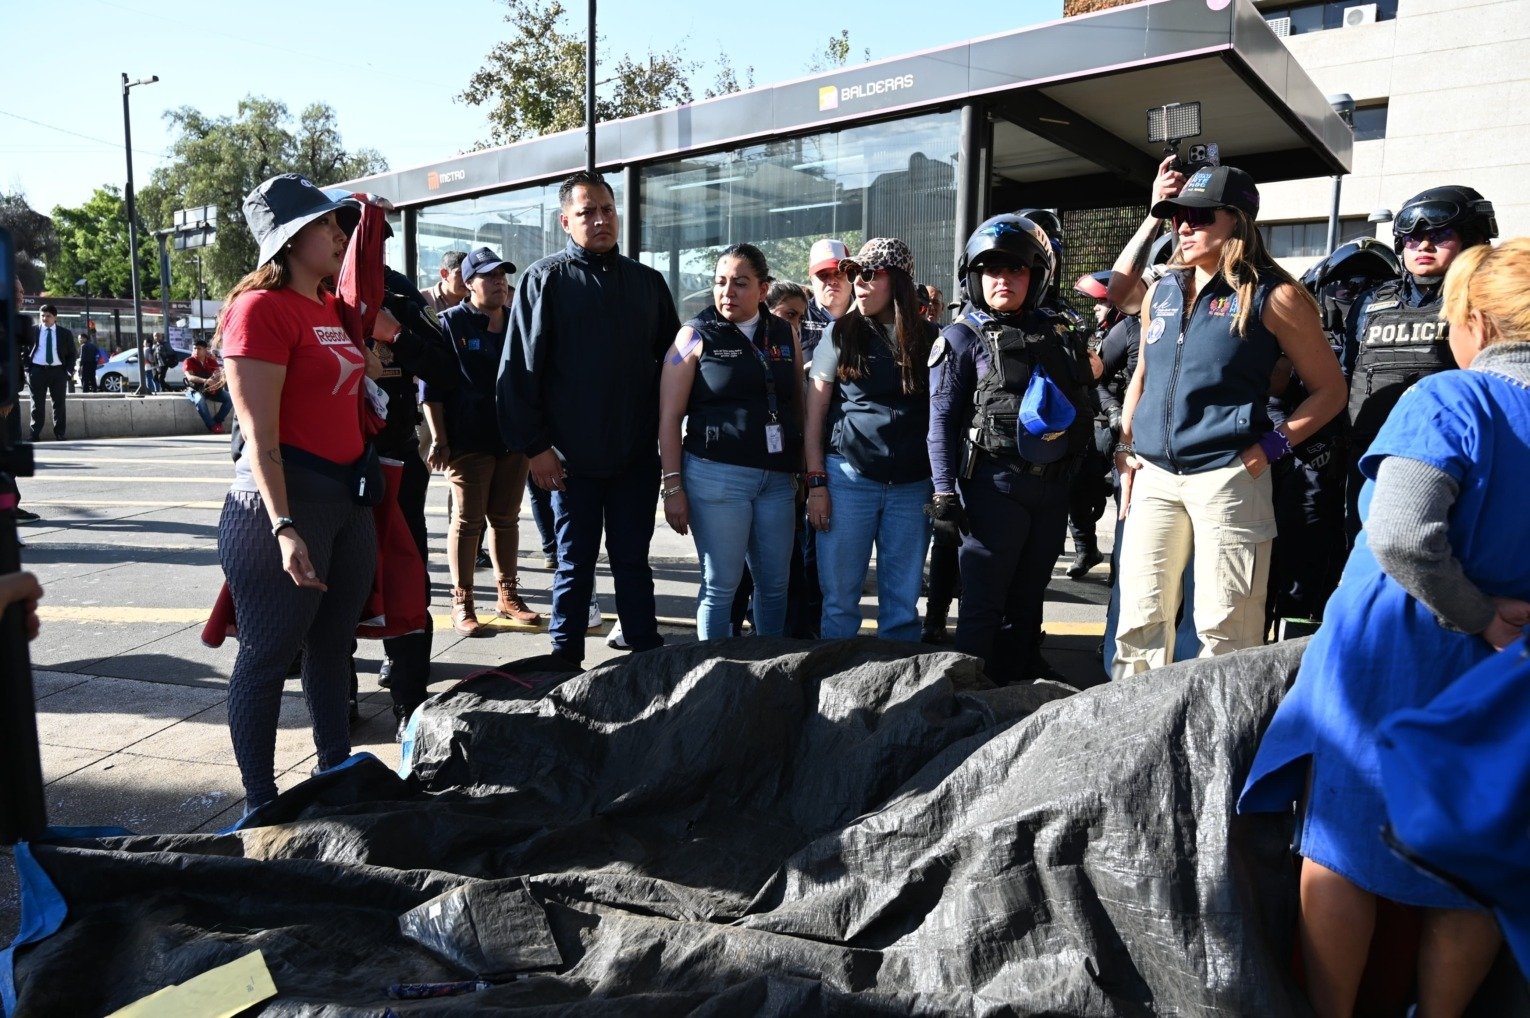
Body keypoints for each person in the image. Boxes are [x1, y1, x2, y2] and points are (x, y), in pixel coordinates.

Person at [1240, 236, 1530, 1017]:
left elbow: (1402, 533)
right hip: (1504, 680)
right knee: (1472, 862)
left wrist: (1473, 612)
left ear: (1477, 321)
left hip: (1398, 654)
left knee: (1343, 842)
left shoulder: (1452, 400)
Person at [1112, 164, 1345, 676]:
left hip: (1229, 476)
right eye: (1177, 216)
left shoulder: (1274, 295)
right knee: (1137, 625)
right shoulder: (1163, 291)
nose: (1183, 226)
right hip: (1154, 476)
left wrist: (1270, 451)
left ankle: (1222, 750)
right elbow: (1142, 377)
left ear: (1237, 222)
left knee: (1226, 634)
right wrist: (1125, 452)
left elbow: (1330, 391)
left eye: (1199, 215)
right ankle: (1130, 744)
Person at [214, 173, 393, 813]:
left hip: (346, 505)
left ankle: (332, 778)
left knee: (331, 651)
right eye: (327, 224)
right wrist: (284, 526)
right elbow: (258, 439)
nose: (339, 233)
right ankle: (260, 805)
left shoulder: (322, 306)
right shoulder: (258, 310)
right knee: (267, 659)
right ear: (289, 239)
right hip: (282, 510)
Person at [500, 170, 679, 667]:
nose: (600, 220)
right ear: (565, 221)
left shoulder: (647, 283)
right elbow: (517, 374)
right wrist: (535, 449)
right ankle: (563, 662)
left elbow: (672, 366)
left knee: (633, 563)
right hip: (567, 462)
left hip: (634, 459)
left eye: (607, 209)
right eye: (587, 212)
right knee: (574, 566)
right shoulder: (544, 281)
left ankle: (645, 654)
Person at [927, 215, 1095, 682]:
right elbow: (939, 420)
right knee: (982, 605)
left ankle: (1020, 684)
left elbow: (1084, 403)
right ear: (975, 276)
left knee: (1029, 597)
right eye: (993, 270)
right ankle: (965, 696)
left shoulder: (1059, 333)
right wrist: (944, 492)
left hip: (1052, 489)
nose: (1003, 280)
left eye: (1016, 270)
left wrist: (1087, 476)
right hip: (992, 488)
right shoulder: (961, 337)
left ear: (1036, 276)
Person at [659, 244, 803, 639]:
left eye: (740, 283)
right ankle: (714, 675)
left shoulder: (784, 330)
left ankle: (770, 668)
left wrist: (808, 469)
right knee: (721, 586)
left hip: (776, 480)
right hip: (716, 477)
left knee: (775, 586)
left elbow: (799, 402)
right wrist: (672, 485)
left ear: (763, 288)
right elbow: (669, 417)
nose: (728, 292)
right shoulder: (691, 335)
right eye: (721, 282)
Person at [1342, 185, 1497, 544]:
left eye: (1440, 235)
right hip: (1370, 458)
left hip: (1450, 460)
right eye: (1412, 238)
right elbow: (1346, 372)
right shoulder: (1371, 301)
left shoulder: (1487, 301)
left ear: (1471, 239)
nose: (1423, 246)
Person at [804, 238, 935, 642]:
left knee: (902, 608)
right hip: (847, 481)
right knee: (840, 603)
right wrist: (817, 484)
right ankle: (832, 698)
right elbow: (814, 417)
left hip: (912, 488)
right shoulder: (839, 333)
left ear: (896, 280)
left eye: (868, 273)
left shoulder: (933, 339)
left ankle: (900, 697)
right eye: (852, 273)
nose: (857, 282)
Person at [425, 246, 540, 636]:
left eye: (502, 276)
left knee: (506, 520)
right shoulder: (449, 323)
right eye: (489, 276)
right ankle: (462, 600)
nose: (499, 283)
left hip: (512, 440)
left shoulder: (517, 322)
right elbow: (432, 388)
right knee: (468, 520)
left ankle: (508, 596)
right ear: (468, 283)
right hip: (467, 442)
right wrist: (440, 438)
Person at [25, 303, 74, 441]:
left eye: (48, 316)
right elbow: (24, 351)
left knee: (59, 404)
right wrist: (27, 369)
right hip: (37, 371)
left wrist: (69, 372)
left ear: (55, 317)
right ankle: (34, 434)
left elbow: (71, 354)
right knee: (36, 404)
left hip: (58, 372)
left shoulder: (65, 333)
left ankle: (59, 433)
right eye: (42, 316)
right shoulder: (32, 331)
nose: (45, 318)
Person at [182, 337, 232, 433]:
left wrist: (217, 381)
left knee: (229, 399)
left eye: (199, 348)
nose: (196, 351)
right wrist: (206, 381)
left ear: (205, 350)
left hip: (210, 389)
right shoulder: (188, 361)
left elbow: (218, 374)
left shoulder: (211, 361)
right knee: (200, 400)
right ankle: (212, 426)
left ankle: (217, 420)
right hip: (194, 389)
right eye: (194, 348)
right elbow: (190, 378)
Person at [422, 250, 468, 315]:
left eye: (469, 274)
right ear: (444, 273)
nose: (466, 278)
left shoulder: (476, 301)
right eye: (460, 273)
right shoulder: (421, 299)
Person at [78, 326, 99, 393]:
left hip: (85, 365)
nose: (79, 340)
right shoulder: (93, 345)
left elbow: (82, 357)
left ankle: (85, 392)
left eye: (80, 338)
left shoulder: (83, 346)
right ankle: (94, 391)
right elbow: (97, 356)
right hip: (93, 365)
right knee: (92, 378)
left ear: (84, 338)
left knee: (85, 379)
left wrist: (80, 365)